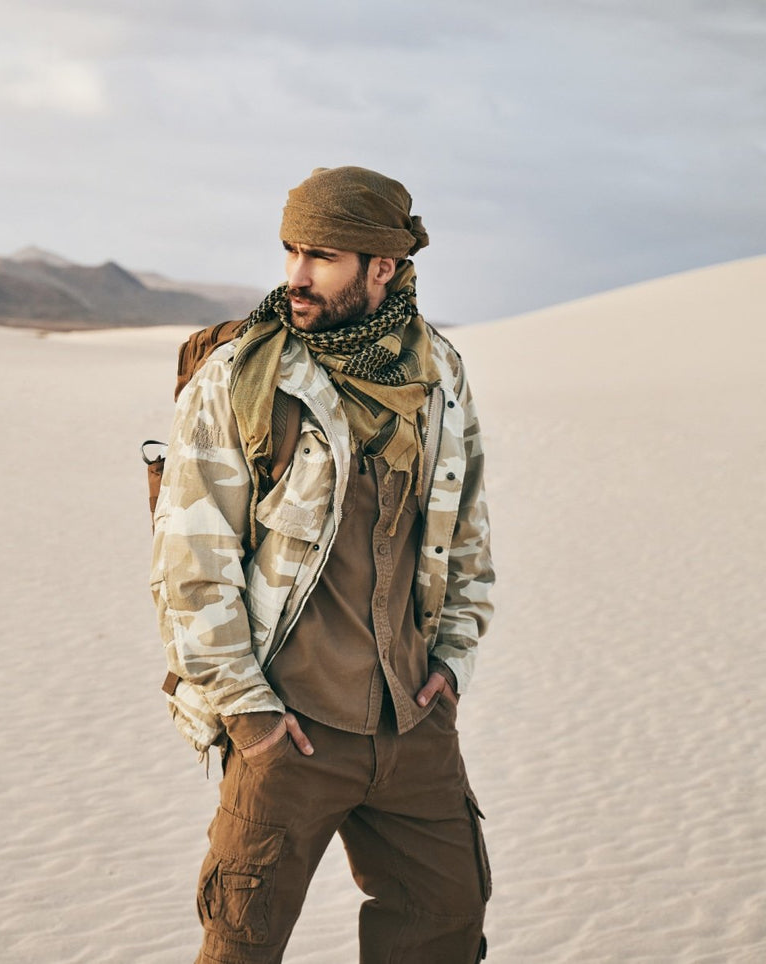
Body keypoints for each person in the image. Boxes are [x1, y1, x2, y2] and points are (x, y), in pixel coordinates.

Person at [150, 166, 495, 963]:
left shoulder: (437, 371)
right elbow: (189, 564)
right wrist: (248, 713)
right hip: (289, 727)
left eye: (322, 257)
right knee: (242, 940)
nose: (296, 277)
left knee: (445, 923)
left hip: (412, 722)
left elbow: (465, 526)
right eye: (290, 250)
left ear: (383, 268)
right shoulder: (241, 376)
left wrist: (451, 662)